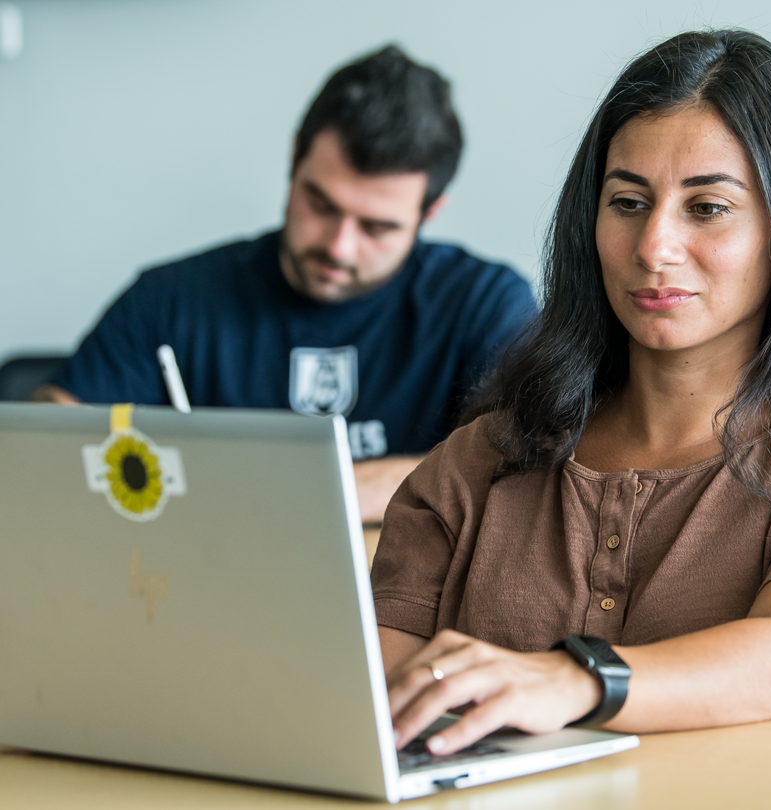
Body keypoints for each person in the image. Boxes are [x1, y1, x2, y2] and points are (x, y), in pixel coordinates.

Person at [372, 29, 771, 755]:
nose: (653, 246)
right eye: (627, 201)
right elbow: (369, 693)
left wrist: (574, 680)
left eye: (707, 208)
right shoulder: (481, 458)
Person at [35, 45, 535, 523]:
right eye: (321, 205)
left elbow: (518, 459)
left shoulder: (484, 303)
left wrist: (297, 495)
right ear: (294, 159)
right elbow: (45, 443)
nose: (339, 246)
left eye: (376, 228)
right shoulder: (173, 299)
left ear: (429, 213)